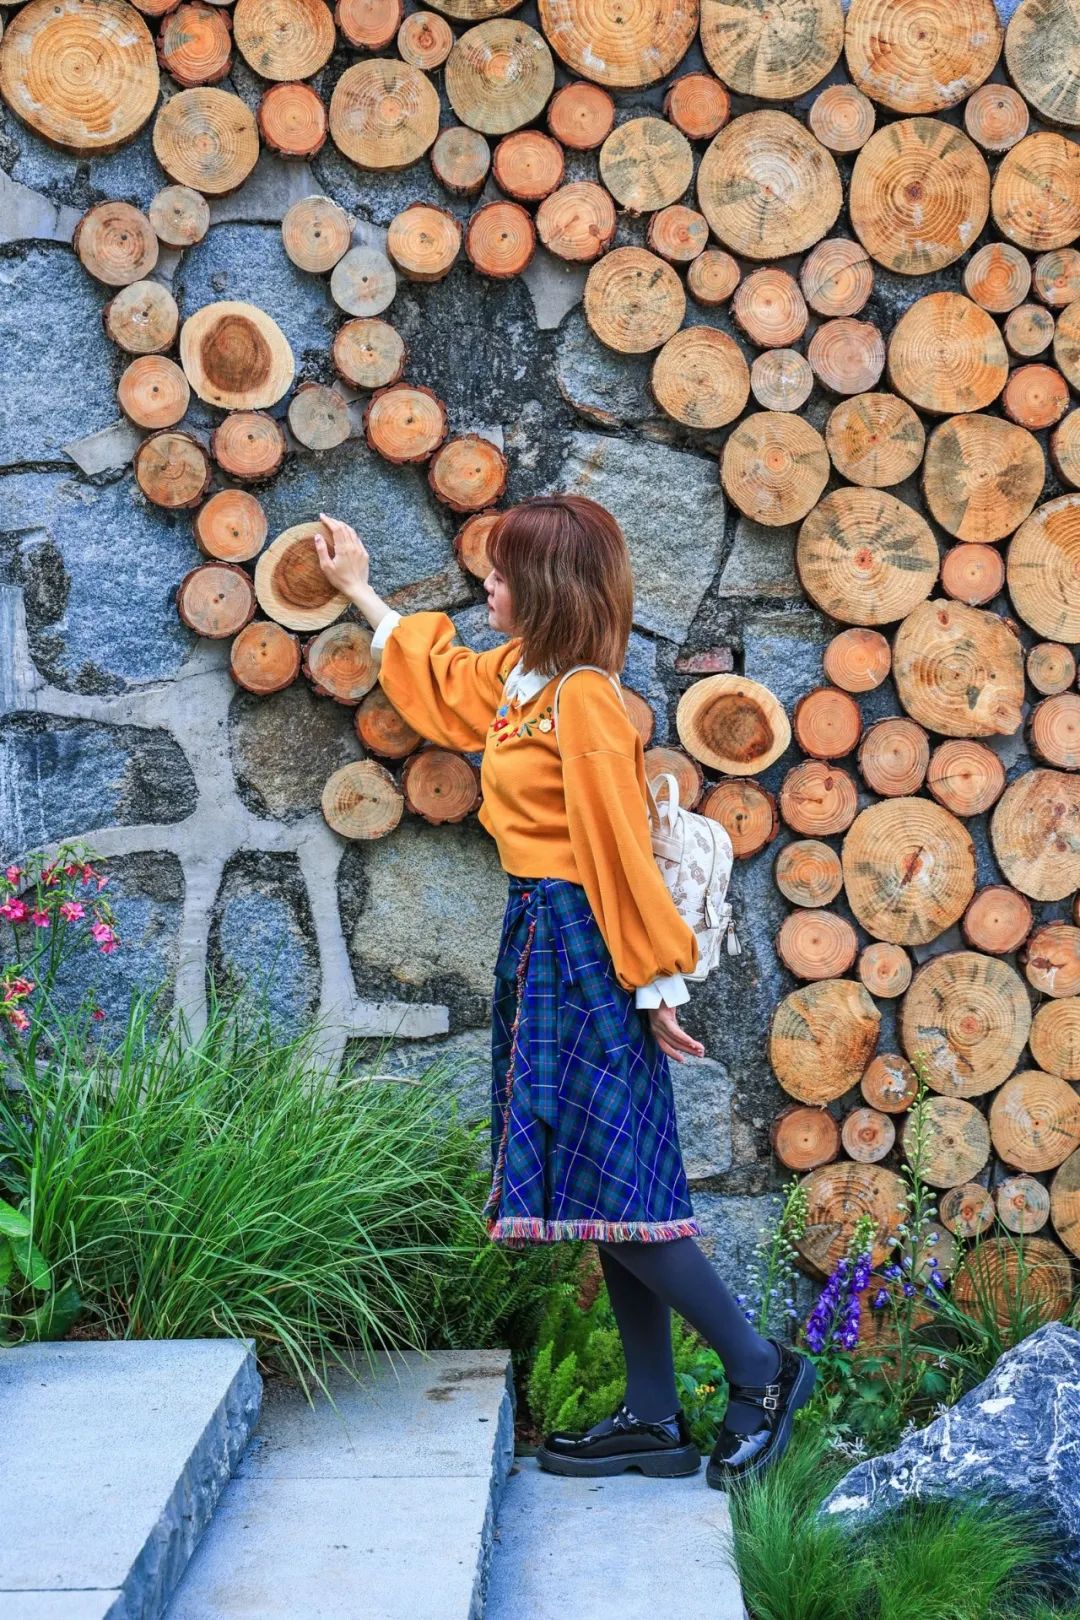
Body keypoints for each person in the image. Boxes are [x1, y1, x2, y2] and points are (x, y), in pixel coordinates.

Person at [314, 493, 815, 1487]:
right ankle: (654, 1417)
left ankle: (763, 1372)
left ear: (544, 590)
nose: (486, 588)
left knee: (618, 1176)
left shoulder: (583, 699)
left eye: (501, 576)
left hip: (585, 944)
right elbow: (442, 683)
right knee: (596, 1185)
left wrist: (656, 983)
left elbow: (615, 845)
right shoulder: (521, 678)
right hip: (542, 938)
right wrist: (360, 590)